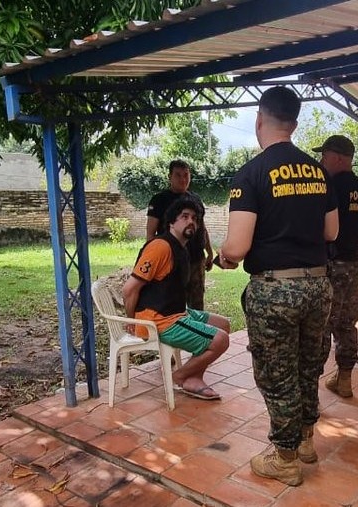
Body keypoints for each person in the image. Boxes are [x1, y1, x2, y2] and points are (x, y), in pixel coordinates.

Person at [218, 86, 339, 486]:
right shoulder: (319, 172)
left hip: (275, 291)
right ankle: (305, 441)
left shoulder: (251, 174)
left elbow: (237, 246)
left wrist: (225, 254)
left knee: (277, 372)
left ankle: (285, 457)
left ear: (259, 119)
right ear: (295, 122)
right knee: (309, 365)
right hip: (319, 286)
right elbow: (331, 230)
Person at [123, 198, 229, 400]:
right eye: (185, 217)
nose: (192, 222)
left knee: (224, 325)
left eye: (195, 219)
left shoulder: (181, 247)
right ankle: (179, 376)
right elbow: (129, 289)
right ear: (172, 221)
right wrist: (132, 322)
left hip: (177, 312)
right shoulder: (160, 247)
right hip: (158, 320)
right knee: (220, 339)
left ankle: (193, 377)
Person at [312, 135, 358, 398]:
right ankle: (345, 379)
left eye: (324, 155)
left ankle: (311, 394)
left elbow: (321, 227)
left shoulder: (329, 186)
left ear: (337, 157)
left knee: (321, 326)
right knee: (348, 324)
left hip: (331, 265)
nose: (320, 160)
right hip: (353, 264)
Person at [146, 159, 213, 310]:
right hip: (171, 260)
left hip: (196, 259)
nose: (183, 179)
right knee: (173, 303)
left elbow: (202, 227)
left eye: (186, 175)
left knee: (197, 303)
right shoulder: (159, 200)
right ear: (170, 177)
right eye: (178, 175)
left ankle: (197, 332)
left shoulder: (195, 199)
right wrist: (152, 259)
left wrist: (208, 251)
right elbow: (150, 233)